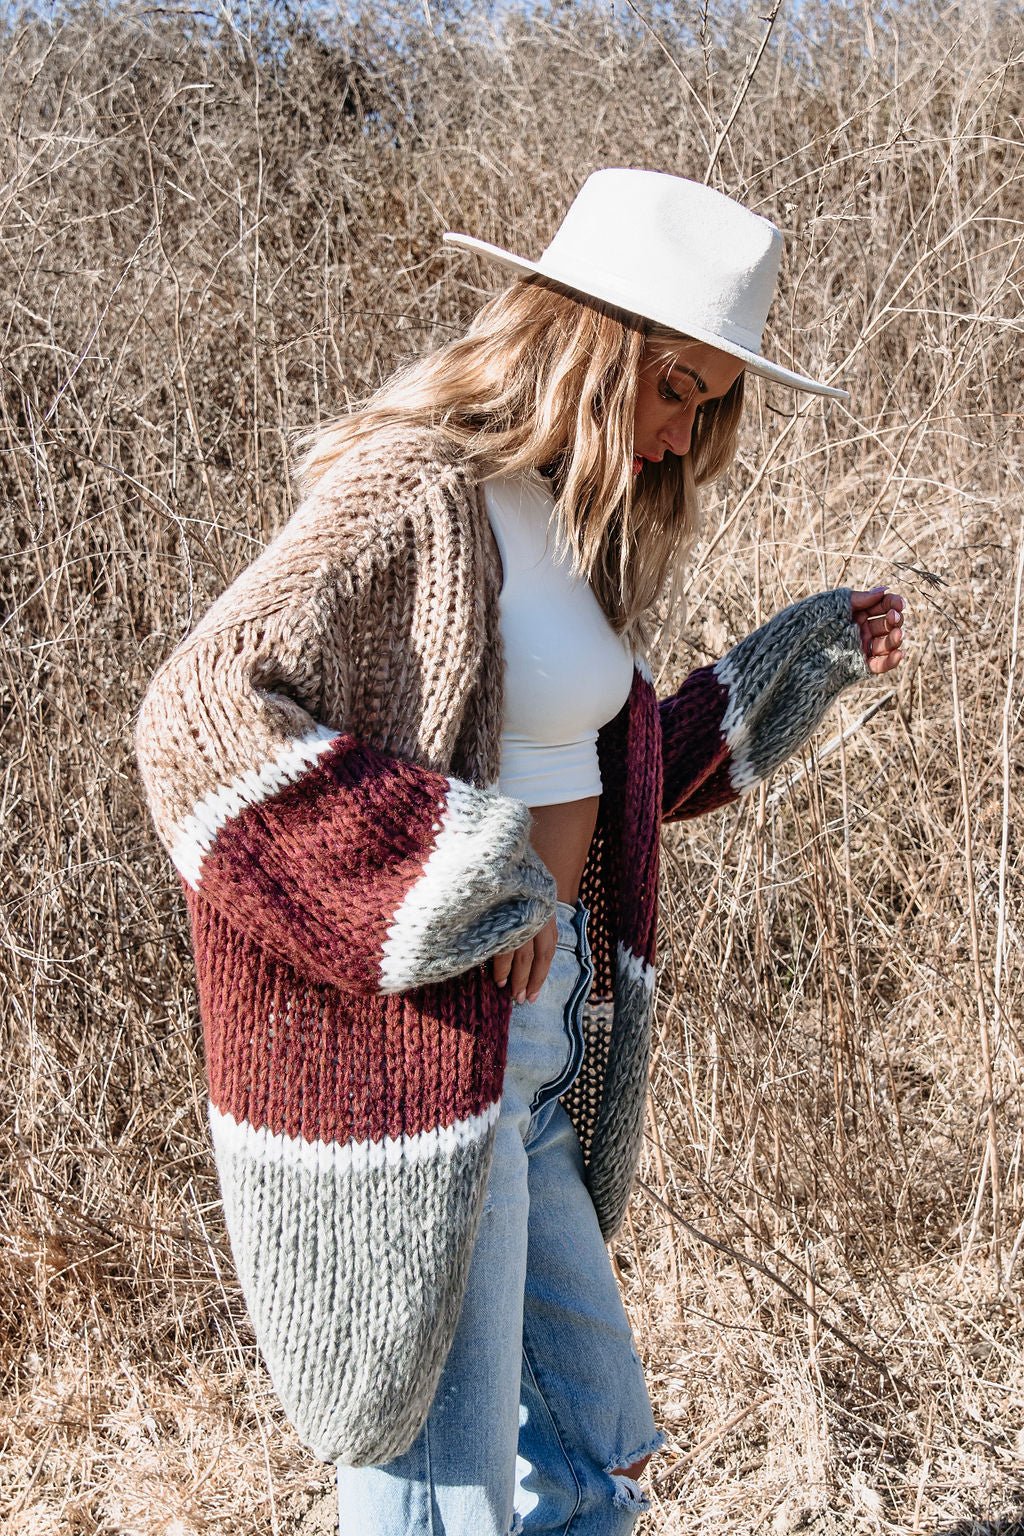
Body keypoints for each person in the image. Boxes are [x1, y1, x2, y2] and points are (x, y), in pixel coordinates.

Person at [133, 168, 905, 1536]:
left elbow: (600, 773)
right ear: (591, 342)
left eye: (712, 405)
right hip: (422, 1061)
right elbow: (195, 720)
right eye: (676, 387)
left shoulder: (561, 521)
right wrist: (470, 887)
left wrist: (799, 662)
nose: (683, 433)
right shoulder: (413, 492)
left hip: (535, 1056)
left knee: (595, 1458)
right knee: (438, 1496)